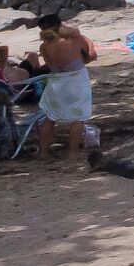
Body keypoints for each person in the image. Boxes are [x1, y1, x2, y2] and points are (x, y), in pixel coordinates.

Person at [26, 12, 98, 158]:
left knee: (50, 117)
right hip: (76, 81)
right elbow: (90, 56)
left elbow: (48, 64)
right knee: (78, 118)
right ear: (60, 25)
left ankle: (43, 152)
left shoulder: (44, 47)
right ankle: (72, 153)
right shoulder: (74, 40)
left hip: (56, 83)